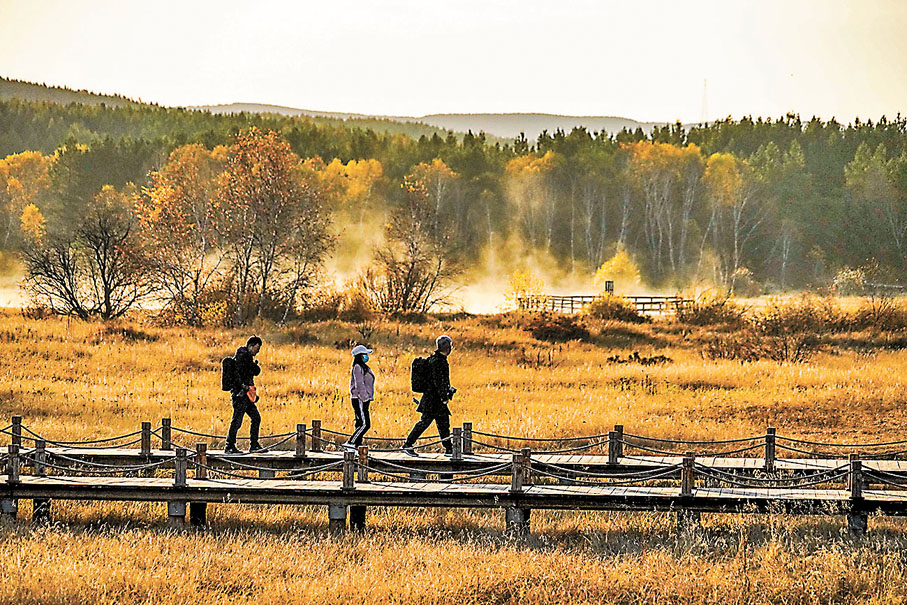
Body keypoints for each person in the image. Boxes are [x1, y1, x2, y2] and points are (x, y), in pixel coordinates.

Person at [402, 335, 457, 457]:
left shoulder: (437, 359)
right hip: (433, 400)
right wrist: (444, 397)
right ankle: (408, 444)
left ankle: (448, 448)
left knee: (443, 423)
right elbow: (438, 381)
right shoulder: (438, 361)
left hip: (433, 399)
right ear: (446, 347)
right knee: (425, 422)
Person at [225, 335, 266, 454]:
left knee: (255, 417)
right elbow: (249, 372)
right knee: (237, 420)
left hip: (246, 395)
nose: (257, 352)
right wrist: (243, 386)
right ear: (250, 346)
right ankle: (230, 446)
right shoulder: (244, 357)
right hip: (241, 395)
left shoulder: (242, 356)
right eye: (256, 349)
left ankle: (254, 444)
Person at [342, 344, 375, 451]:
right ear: (360, 356)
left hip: (363, 398)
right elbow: (359, 384)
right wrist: (365, 397)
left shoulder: (363, 367)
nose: (366, 356)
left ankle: (357, 446)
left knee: (360, 423)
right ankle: (351, 442)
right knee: (365, 424)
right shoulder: (357, 367)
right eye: (365, 354)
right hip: (360, 398)